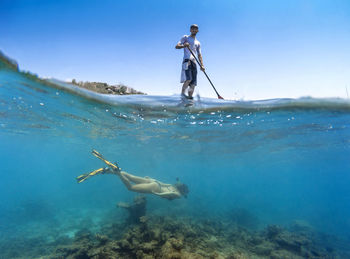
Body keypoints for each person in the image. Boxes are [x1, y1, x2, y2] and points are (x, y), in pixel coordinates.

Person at [77, 150, 189, 200]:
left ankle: (108, 171)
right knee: (130, 187)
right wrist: (158, 195)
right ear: (183, 191)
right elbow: (170, 193)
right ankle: (116, 171)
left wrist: (150, 179)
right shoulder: (178, 194)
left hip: (153, 182)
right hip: (155, 188)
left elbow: (161, 183)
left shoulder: (173, 185)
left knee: (129, 176)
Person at [175, 24, 205, 99]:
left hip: (194, 63)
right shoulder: (185, 37)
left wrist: (202, 65)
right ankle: (182, 96)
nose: (194, 30)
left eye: (196, 29)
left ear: (197, 31)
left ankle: (190, 98)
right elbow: (177, 46)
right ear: (190, 30)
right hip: (187, 60)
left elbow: (199, 55)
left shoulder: (198, 43)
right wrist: (184, 45)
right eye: (192, 28)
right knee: (188, 79)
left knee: (193, 83)